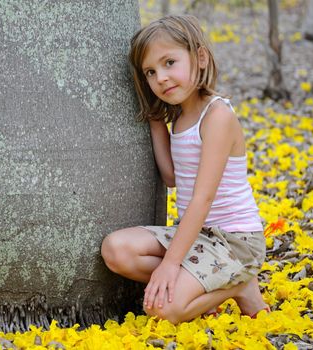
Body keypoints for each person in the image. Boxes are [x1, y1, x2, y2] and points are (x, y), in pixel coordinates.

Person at [101, 14, 269, 324]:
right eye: (150, 72)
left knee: (161, 310)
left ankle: (240, 284)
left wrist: (170, 266)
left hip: (235, 242)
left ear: (200, 57)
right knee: (116, 251)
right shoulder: (179, 118)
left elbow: (202, 199)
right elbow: (172, 178)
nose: (160, 78)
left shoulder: (217, 116)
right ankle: (207, 280)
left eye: (169, 63)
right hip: (196, 236)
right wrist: (155, 119)